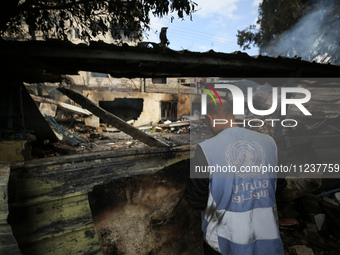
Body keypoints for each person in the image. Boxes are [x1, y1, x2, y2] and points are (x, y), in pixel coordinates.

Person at [185, 99, 284, 255]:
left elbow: (196, 200)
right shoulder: (269, 143)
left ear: (210, 119)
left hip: (225, 241)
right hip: (267, 236)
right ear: (234, 115)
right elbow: (279, 187)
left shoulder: (206, 149)